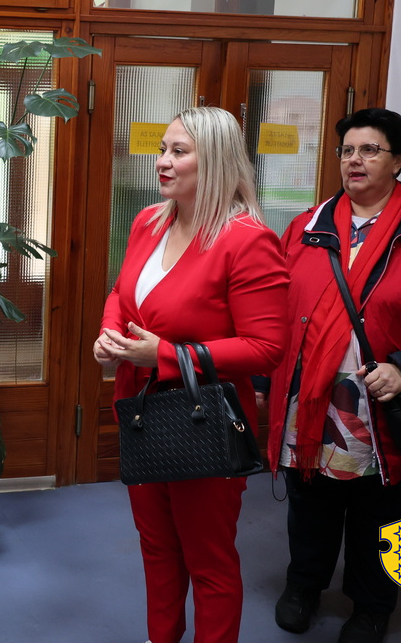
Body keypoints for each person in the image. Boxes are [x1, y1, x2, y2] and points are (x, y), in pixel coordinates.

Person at [259, 108, 401, 643]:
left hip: (384, 405)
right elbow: (274, 306)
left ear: (399, 160)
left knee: (385, 513)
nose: (354, 160)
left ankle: (374, 605)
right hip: (310, 401)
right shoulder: (306, 228)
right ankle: (304, 585)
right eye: (347, 150)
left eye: (370, 150)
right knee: (309, 504)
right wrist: (266, 379)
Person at [94, 105, 290, 643]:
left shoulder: (246, 239)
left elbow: (267, 348)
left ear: (217, 161)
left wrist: (165, 354)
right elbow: (121, 293)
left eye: (178, 151)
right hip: (143, 413)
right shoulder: (148, 222)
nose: (162, 161)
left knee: (208, 560)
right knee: (157, 548)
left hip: (205, 421)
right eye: (162, 149)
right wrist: (110, 335)